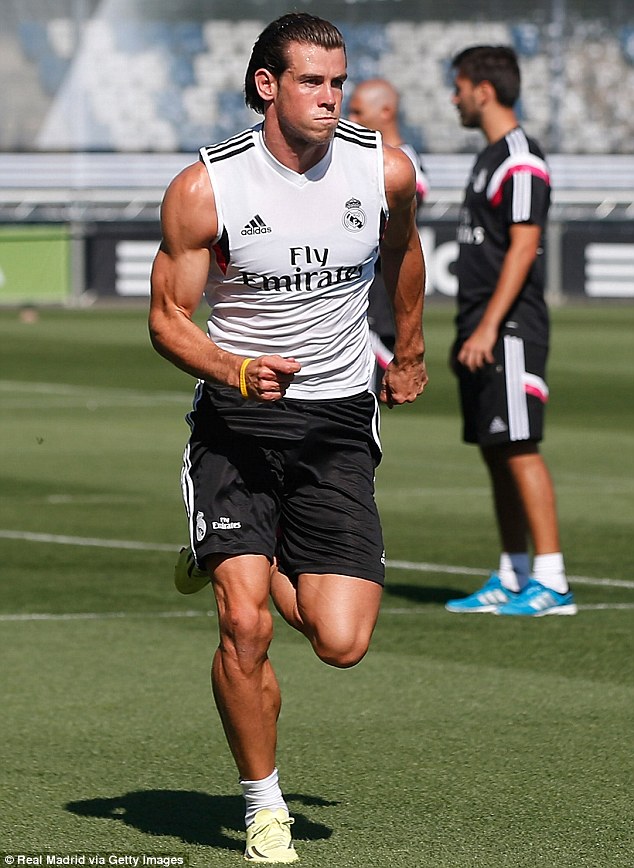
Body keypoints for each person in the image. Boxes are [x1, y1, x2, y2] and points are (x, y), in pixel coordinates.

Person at [149, 13, 427, 863]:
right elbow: (167, 320)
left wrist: (409, 346)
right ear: (268, 84)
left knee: (342, 642)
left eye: (338, 81)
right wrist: (233, 368)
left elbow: (405, 253)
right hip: (236, 421)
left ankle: (235, 550)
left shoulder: (384, 169)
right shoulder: (207, 188)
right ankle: (263, 805)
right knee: (246, 625)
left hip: (338, 420)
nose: (331, 97)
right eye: (313, 81)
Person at [444, 45, 576, 617]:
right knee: (497, 449)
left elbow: (524, 248)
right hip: (481, 325)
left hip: (510, 328)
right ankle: (513, 574)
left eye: (459, 86)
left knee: (520, 446)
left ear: (484, 90)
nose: (454, 97)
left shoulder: (520, 159)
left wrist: (491, 328)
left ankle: (553, 581)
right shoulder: (488, 158)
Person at [347, 78, 430, 394]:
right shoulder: (367, 160)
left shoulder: (405, 167)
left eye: (357, 112)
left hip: (378, 306)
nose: (350, 120)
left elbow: (392, 232)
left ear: (385, 111)